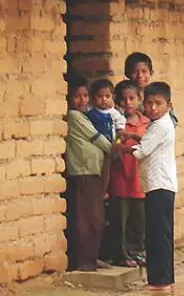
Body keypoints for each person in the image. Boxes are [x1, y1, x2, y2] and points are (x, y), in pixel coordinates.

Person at [114, 82, 177, 291]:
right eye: (149, 103)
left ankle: (159, 282)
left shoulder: (159, 125)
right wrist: (133, 136)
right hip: (160, 185)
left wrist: (120, 148)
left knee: (157, 235)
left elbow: (142, 152)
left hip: (159, 186)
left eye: (158, 103)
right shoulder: (160, 124)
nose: (153, 108)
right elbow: (148, 142)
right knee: (162, 234)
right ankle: (165, 279)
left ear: (169, 104)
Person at [64, 74, 112, 272]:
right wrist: (114, 149)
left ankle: (92, 258)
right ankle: (84, 262)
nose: (82, 100)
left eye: (85, 96)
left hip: (92, 172)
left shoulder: (86, 115)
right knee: (87, 219)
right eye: (77, 96)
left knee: (96, 218)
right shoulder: (75, 116)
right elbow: (98, 140)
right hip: (83, 172)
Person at [108, 80, 149, 268]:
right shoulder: (115, 122)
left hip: (139, 179)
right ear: (117, 101)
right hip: (120, 178)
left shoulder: (146, 123)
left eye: (132, 98)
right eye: (123, 99)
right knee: (119, 220)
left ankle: (137, 251)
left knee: (138, 220)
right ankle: (120, 254)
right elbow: (112, 148)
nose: (128, 103)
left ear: (139, 99)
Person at [124, 52, 178, 126]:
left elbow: (172, 121)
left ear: (151, 72)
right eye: (135, 72)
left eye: (144, 71)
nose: (140, 76)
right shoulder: (123, 96)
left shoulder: (157, 93)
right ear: (127, 73)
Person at [87, 79, 126, 143]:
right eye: (99, 96)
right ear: (93, 98)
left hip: (109, 144)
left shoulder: (115, 113)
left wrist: (119, 139)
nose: (104, 99)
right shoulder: (89, 110)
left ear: (113, 97)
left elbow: (120, 128)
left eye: (107, 96)